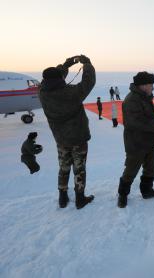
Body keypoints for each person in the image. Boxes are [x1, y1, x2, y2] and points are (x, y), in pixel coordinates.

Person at [38, 55, 95, 209]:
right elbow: (88, 82)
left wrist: (66, 64)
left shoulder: (42, 92)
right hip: (78, 138)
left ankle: (62, 197)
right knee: (79, 168)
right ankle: (80, 198)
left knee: (63, 167)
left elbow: (54, 77)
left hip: (61, 139)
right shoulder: (71, 93)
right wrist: (87, 64)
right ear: (60, 79)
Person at [117, 71, 154, 208]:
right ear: (143, 85)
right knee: (131, 169)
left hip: (148, 139)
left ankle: (147, 191)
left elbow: (150, 117)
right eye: (151, 84)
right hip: (136, 142)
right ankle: (122, 194)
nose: (153, 87)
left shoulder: (144, 97)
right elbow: (137, 122)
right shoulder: (132, 100)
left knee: (151, 167)